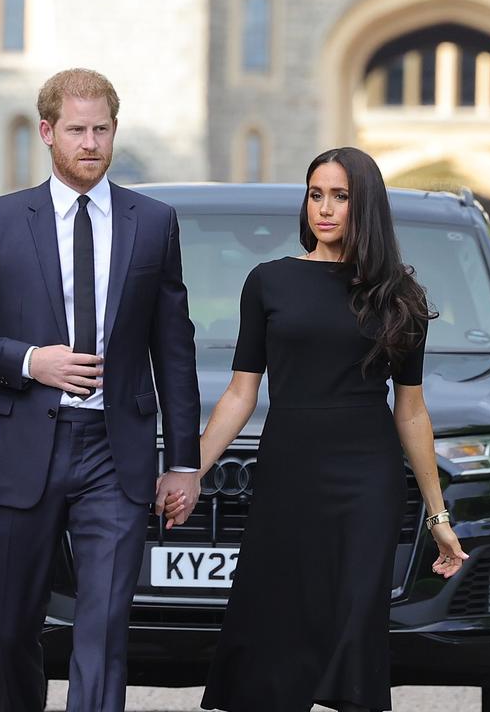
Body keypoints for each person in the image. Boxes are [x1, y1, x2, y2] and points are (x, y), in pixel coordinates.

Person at [0, 68, 201, 712]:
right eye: (77, 130)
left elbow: (174, 348)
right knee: (16, 624)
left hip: (117, 452)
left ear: (114, 131)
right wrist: (30, 361)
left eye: (102, 129)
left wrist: (184, 462)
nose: (90, 142)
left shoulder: (154, 222)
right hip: (25, 443)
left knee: (104, 626)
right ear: (47, 132)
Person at [190, 147, 466, 712]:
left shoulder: (399, 297)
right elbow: (242, 392)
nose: (325, 208)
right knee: (277, 615)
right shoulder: (268, 282)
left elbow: (410, 409)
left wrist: (438, 516)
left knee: (355, 623)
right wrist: (190, 471)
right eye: (316, 194)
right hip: (288, 471)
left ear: (365, 206)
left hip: (366, 481)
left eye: (341, 197)